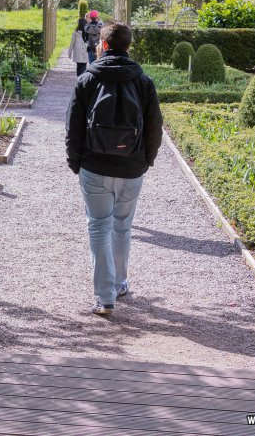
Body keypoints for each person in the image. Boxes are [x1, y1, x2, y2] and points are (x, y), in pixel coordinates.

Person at [65, 22, 163, 317]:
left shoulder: (87, 79)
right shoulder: (143, 81)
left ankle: (104, 298)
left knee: (98, 226)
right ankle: (120, 283)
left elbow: (73, 126)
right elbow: (155, 128)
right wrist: (146, 161)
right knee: (122, 226)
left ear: (103, 45)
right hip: (132, 167)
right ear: (127, 46)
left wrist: (76, 162)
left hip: (94, 165)